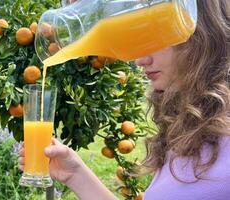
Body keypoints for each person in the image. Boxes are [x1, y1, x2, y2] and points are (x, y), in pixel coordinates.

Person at [19, 0, 230, 199]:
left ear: (199, 35)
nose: (140, 60)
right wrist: (74, 174)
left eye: (154, 40)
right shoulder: (191, 130)